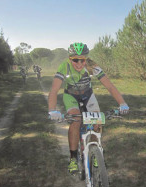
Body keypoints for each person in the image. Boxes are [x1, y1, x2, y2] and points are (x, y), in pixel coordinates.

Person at [48, 42, 129, 174]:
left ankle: (95, 151)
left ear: (86, 58)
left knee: (97, 120)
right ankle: (73, 158)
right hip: (71, 96)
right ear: (70, 59)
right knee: (76, 120)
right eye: (75, 60)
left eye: (82, 60)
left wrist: (122, 103)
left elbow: (110, 86)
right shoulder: (64, 66)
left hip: (88, 95)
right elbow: (54, 89)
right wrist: (52, 110)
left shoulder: (93, 66)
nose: (79, 64)